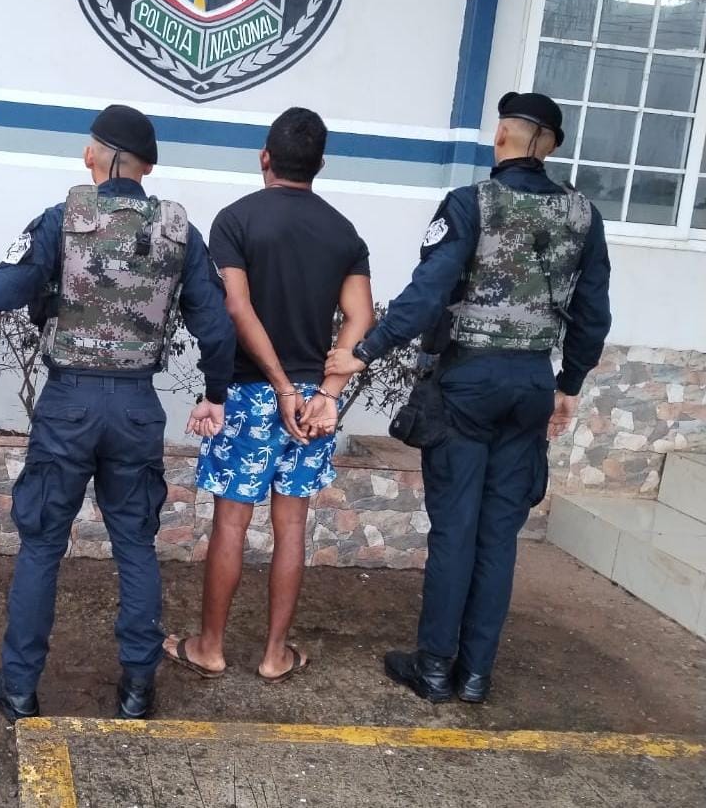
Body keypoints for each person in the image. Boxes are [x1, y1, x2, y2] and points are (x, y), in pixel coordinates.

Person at [0, 105, 235, 721]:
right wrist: (215, 393)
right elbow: (216, 324)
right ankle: (138, 689)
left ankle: (20, 686)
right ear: (146, 166)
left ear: (97, 156)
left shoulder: (63, 217)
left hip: (69, 403)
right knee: (136, 545)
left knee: (42, 544)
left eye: (88, 147)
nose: (84, 155)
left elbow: (13, 284)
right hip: (136, 407)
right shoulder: (179, 229)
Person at [326, 92, 611, 704]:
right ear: (550, 146)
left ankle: (434, 667)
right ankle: (476, 675)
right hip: (531, 382)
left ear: (502, 136)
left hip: (468, 383)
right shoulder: (584, 216)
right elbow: (592, 314)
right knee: (498, 536)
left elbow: (428, 292)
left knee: (455, 530)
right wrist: (569, 384)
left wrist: (365, 351)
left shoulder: (469, 203)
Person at [165, 107, 375, 683]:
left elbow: (236, 307)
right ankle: (275, 654)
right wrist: (326, 390)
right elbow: (361, 318)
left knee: (231, 524)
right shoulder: (343, 232)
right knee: (292, 527)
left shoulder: (236, 220)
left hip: (252, 393)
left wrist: (280, 385)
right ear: (320, 165)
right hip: (313, 404)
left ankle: (209, 647)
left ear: (265, 157)